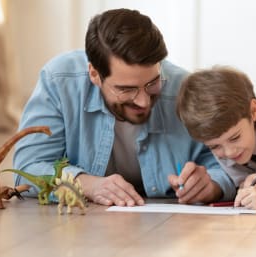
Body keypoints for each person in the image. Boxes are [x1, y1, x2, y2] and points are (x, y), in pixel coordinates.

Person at [13, 8, 236, 207]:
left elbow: (227, 161)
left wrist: (213, 183)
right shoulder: (60, 81)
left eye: (152, 84)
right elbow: (27, 170)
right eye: (126, 89)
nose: (143, 101)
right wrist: (87, 185)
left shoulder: (183, 88)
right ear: (94, 74)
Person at [176, 65, 256, 210]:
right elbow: (243, 184)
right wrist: (249, 185)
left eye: (235, 138)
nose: (229, 152)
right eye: (214, 146)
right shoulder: (226, 146)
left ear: (253, 111)